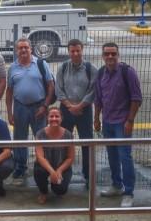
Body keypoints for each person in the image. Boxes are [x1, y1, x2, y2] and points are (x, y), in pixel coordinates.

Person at [94, 42, 142, 208]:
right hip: (107, 122)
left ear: (118, 55)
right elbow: (98, 100)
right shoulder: (100, 74)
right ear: (103, 56)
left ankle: (128, 193)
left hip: (122, 123)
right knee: (112, 156)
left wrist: (130, 121)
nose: (110, 57)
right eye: (107, 54)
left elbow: (136, 98)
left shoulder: (127, 72)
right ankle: (116, 185)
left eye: (113, 54)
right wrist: (96, 119)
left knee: (125, 157)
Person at [6, 37, 55, 186]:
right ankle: (20, 167)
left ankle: (43, 167)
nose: (23, 50)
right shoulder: (13, 68)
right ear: (16, 51)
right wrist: (9, 112)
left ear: (31, 49)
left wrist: (45, 106)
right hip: (20, 106)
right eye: (20, 48)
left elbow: (51, 85)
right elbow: (9, 91)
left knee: (41, 138)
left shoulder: (41, 64)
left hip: (39, 106)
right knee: (20, 139)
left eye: (25, 47)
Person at [55, 38, 97, 188]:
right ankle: (64, 174)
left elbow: (93, 90)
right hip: (66, 110)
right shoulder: (63, 67)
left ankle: (88, 176)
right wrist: (69, 106)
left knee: (87, 144)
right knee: (64, 143)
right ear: (68, 51)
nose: (75, 53)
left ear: (82, 50)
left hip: (84, 111)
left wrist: (79, 106)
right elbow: (58, 89)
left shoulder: (90, 68)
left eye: (77, 50)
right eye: (72, 51)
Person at [34, 107, 75, 204]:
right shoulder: (40, 134)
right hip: (45, 166)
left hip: (62, 166)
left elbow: (70, 157)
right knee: (39, 171)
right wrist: (52, 172)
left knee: (61, 190)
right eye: (51, 116)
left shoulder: (68, 135)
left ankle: (55, 186)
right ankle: (43, 192)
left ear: (61, 118)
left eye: (57, 116)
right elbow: (40, 157)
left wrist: (59, 170)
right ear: (47, 118)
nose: (54, 119)